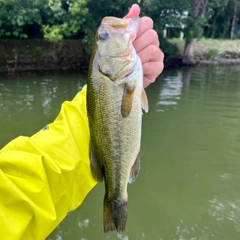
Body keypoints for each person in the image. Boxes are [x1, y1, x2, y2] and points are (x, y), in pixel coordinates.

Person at [0, 4, 164, 240]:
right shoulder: (112, 74)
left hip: (118, 88)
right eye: (104, 37)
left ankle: (115, 196)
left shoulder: (113, 74)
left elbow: (23, 187)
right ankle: (116, 197)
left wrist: (132, 81)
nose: (107, 33)